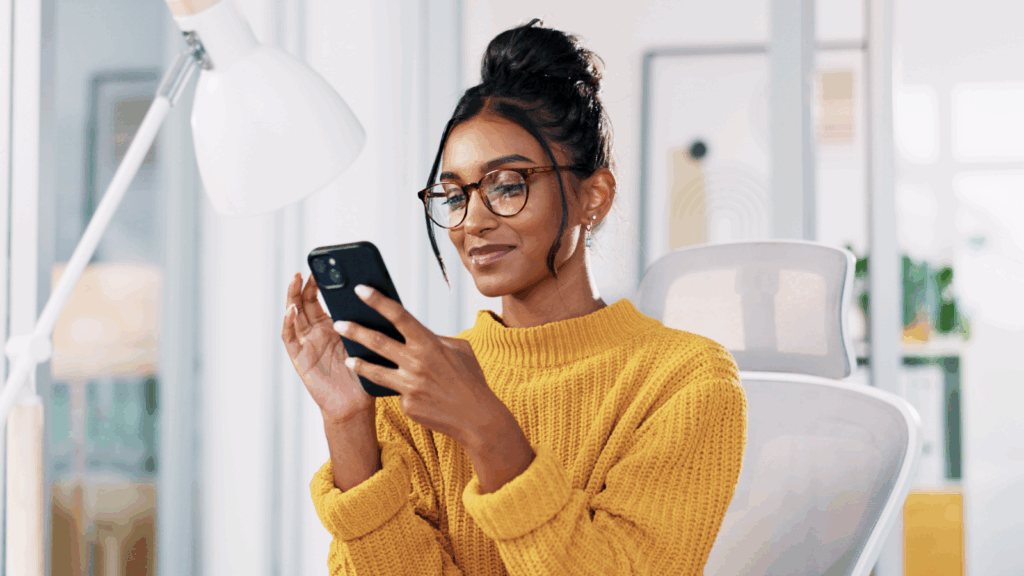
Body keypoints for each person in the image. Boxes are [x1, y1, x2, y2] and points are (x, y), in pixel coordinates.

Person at [281, 19, 746, 576]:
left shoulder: (685, 380)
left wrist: (486, 428)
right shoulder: (421, 381)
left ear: (593, 196)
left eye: (507, 184)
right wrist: (350, 424)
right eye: (454, 194)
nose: (472, 220)